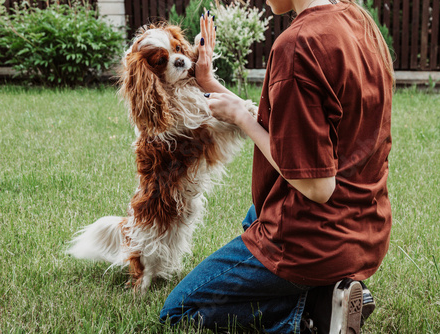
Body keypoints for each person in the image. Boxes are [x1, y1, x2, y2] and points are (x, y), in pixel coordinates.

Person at [160, 0, 394, 332]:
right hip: (365, 230)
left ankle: (316, 313)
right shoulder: (358, 21)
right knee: (253, 216)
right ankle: (333, 291)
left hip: (310, 241)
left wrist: (241, 117)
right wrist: (209, 84)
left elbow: (317, 185)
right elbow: (291, 132)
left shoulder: (299, 45)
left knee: (179, 311)